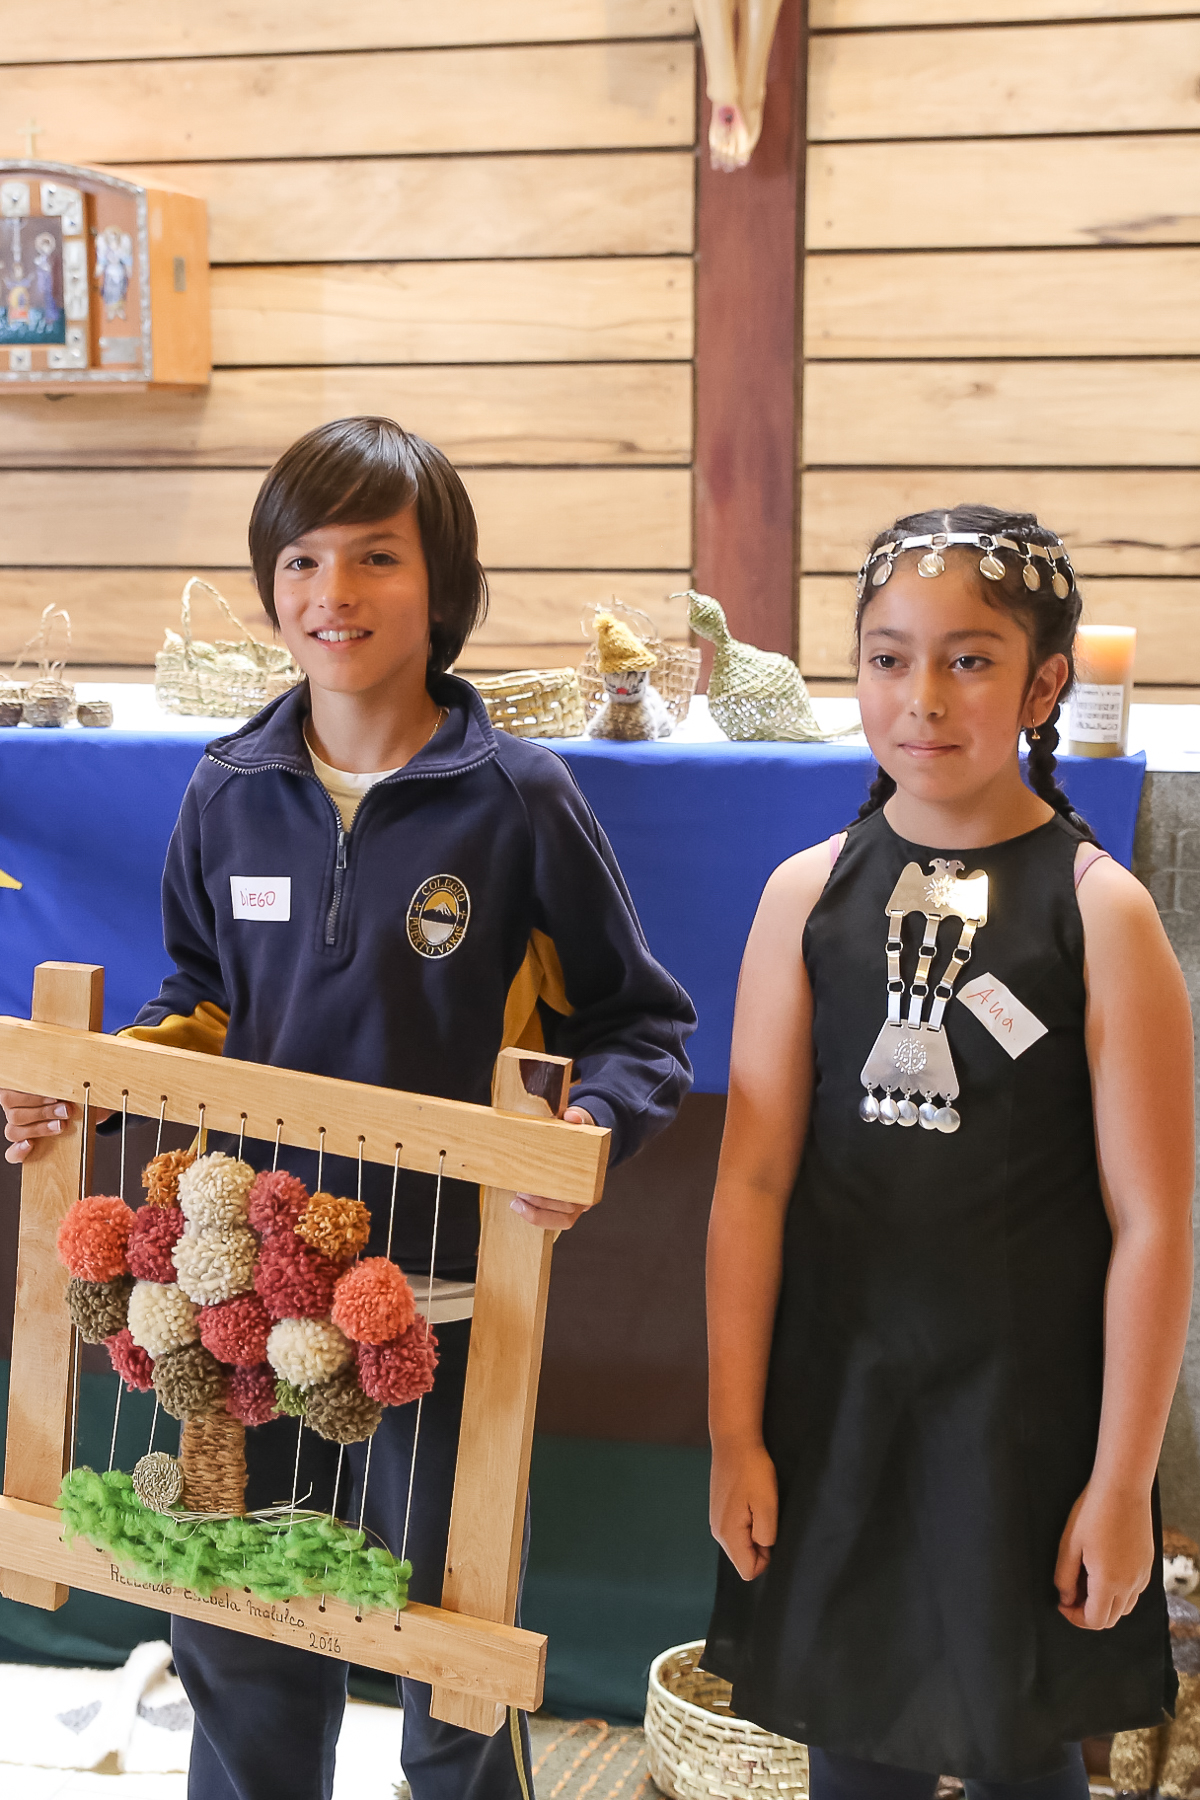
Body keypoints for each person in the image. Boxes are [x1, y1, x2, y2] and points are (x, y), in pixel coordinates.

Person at [2, 416, 695, 1800]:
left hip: (445, 1297)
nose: (334, 592)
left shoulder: (517, 800)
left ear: (445, 587)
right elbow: (201, 1003)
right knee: (236, 1616)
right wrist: (79, 1098)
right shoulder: (228, 789)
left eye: (377, 557)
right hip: (240, 1288)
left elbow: (640, 1027)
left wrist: (585, 1134)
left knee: (449, 1642)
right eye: (302, 560)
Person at [703, 504, 1194, 1800]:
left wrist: (1122, 1483)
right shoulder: (805, 898)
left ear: (1042, 685)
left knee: (1026, 1758)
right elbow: (752, 1180)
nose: (922, 696)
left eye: (969, 660)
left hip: (1023, 1428)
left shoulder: (1102, 916)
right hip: (840, 1411)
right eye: (888, 657)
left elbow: (1153, 1223)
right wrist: (734, 1431)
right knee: (851, 1752)